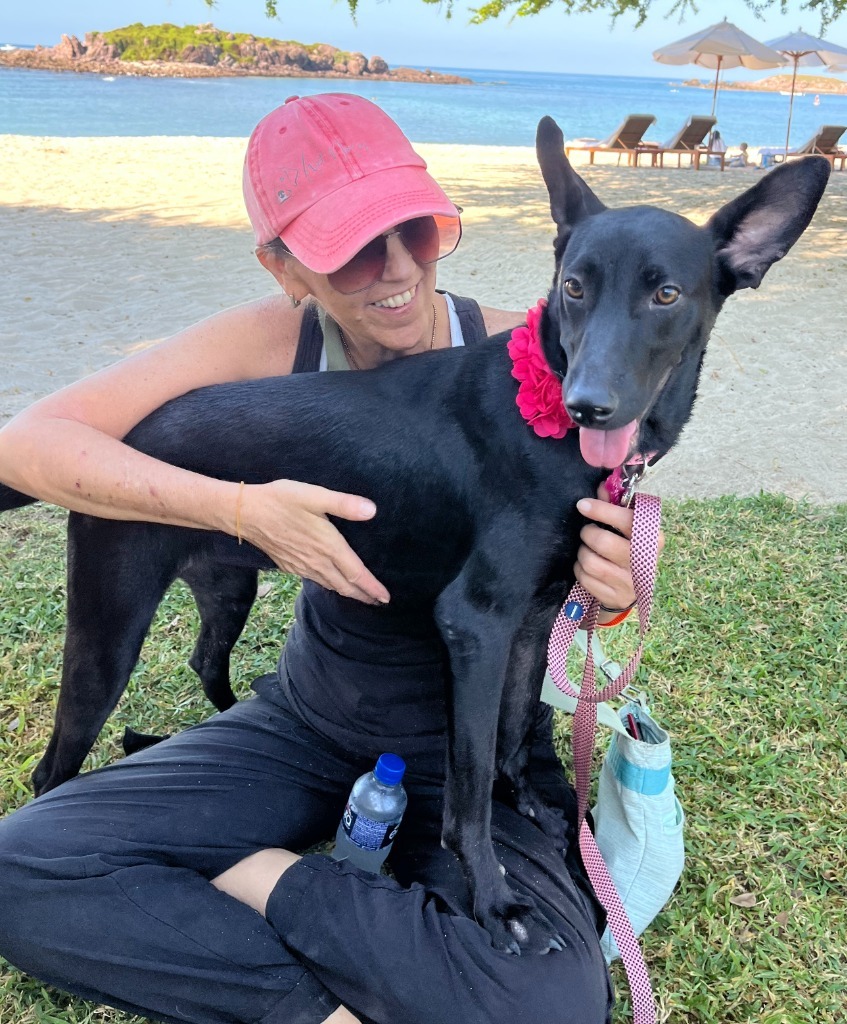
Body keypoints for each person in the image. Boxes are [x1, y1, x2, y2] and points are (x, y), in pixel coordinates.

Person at [0, 94, 659, 1024]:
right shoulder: (273, 343)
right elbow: (27, 446)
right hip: (309, 722)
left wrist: (617, 587)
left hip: (474, 756)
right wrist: (236, 509)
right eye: (351, 247)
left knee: (550, 999)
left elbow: (595, 560)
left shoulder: (538, 352)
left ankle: (253, 872)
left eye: (417, 234)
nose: (394, 272)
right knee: (14, 869)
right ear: (284, 267)